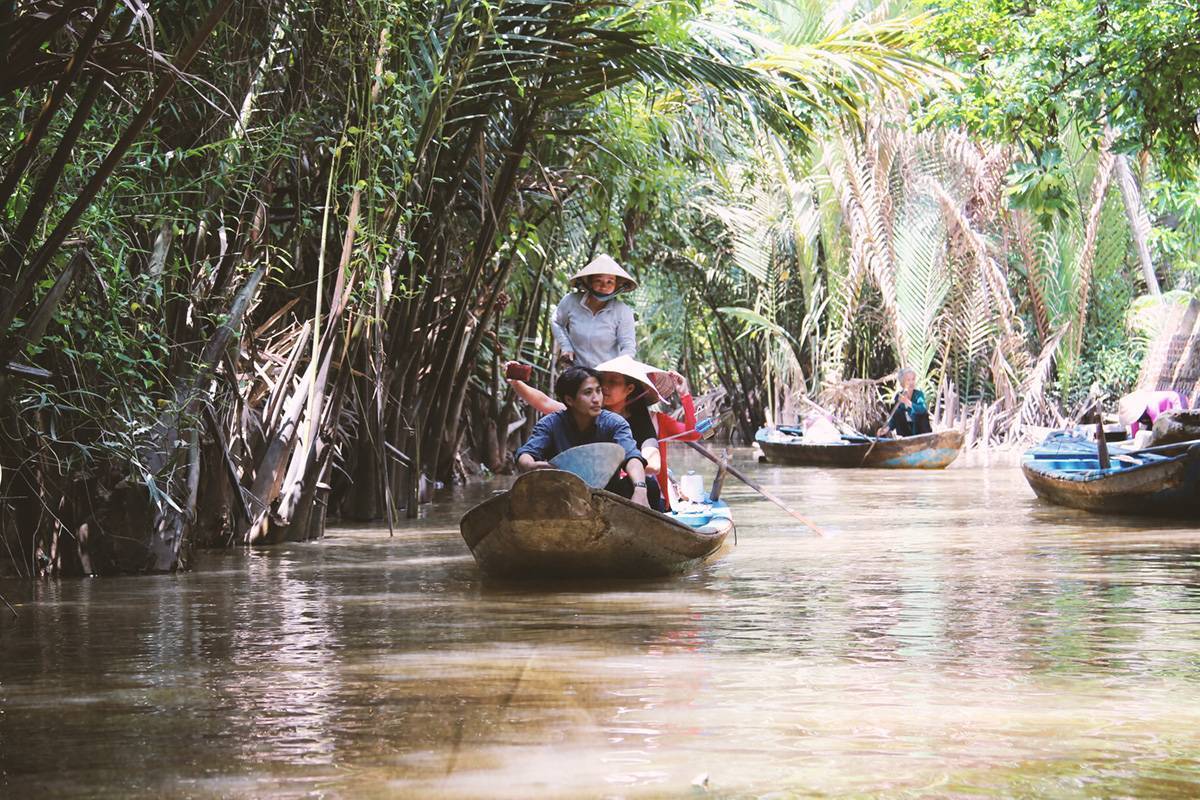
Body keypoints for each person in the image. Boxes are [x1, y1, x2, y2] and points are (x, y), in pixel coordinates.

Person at [507, 355, 697, 511]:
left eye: (610, 383)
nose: (601, 392)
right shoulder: (560, 417)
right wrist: (516, 382)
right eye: (600, 384)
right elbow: (543, 409)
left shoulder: (625, 422)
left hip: (615, 489)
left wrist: (638, 485)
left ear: (629, 389)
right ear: (570, 401)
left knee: (649, 486)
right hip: (566, 492)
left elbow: (641, 458)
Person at [515, 366, 651, 508]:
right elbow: (527, 453)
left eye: (598, 391)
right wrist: (529, 465)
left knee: (649, 485)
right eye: (588, 393)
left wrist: (640, 489)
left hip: (607, 496)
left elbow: (632, 456)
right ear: (569, 399)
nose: (596, 399)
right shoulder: (550, 423)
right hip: (562, 496)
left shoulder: (615, 423)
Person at [550, 253, 637, 368]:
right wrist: (566, 346)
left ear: (616, 286)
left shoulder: (622, 311)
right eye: (598, 281)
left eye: (609, 282)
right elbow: (556, 321)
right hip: (576, 373)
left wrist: (617, 369)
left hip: (605, 375)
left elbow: (628, 346)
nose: (603, 286)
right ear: (589, 282)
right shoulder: (571, 300)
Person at [877, 367, 932, 437]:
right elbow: (894, 418)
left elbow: (922, 409)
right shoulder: (898, 397)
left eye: (913, 379)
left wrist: (909, 403)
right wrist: (886, 429)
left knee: (922, 414)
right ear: (902, 383)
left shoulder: (918, 394)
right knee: (898, 413)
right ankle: (904, 440)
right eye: (908, 380)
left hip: (920, 431)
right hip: (907, 432)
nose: (911, 382)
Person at [1117, 389, 1185, 444]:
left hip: (1174, 401)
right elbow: (1135, 435)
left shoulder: (1151, 406)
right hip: (1158, 415)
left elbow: (1158, 425)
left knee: (1176, 430)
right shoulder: (1132, 416)